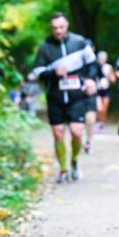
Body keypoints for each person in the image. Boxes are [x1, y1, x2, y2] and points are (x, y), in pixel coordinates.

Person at [29, 12, 98, 183]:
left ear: (66, 26)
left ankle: (74, 160)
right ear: (51, 29)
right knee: (58, 134)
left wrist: (90, 79)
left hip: (77, 96)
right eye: (54, 28)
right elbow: (37, 72)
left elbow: (92, 64)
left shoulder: (80, 42)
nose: (58, 31)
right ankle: (63, 169)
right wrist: (53, 72)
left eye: (61, 27)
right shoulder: (44, 47)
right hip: (55, 97)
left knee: (76, 132)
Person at [95, 50, 114, 133]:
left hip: (106, 90)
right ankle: (97, 123)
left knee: (104, 109)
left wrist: (109, 76)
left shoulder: (108, 67)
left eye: (104, 58)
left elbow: (113, 79)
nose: (102, 59)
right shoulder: (95, 66)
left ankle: (101, 124)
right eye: (101, 58)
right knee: (99, 108)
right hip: (97, 90)